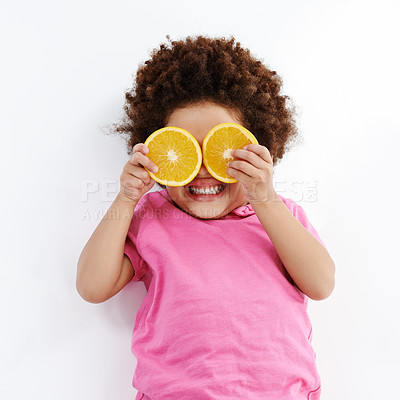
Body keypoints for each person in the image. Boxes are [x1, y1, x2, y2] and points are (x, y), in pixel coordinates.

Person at [76, 35, 335, 400]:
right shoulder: (153, 217)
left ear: (258, 149)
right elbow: (91, 286)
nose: (202, 170)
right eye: (184, 150)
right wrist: (127, 196)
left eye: (220, 152)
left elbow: (321, 284)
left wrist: (266, 198)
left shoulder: (279, 215)